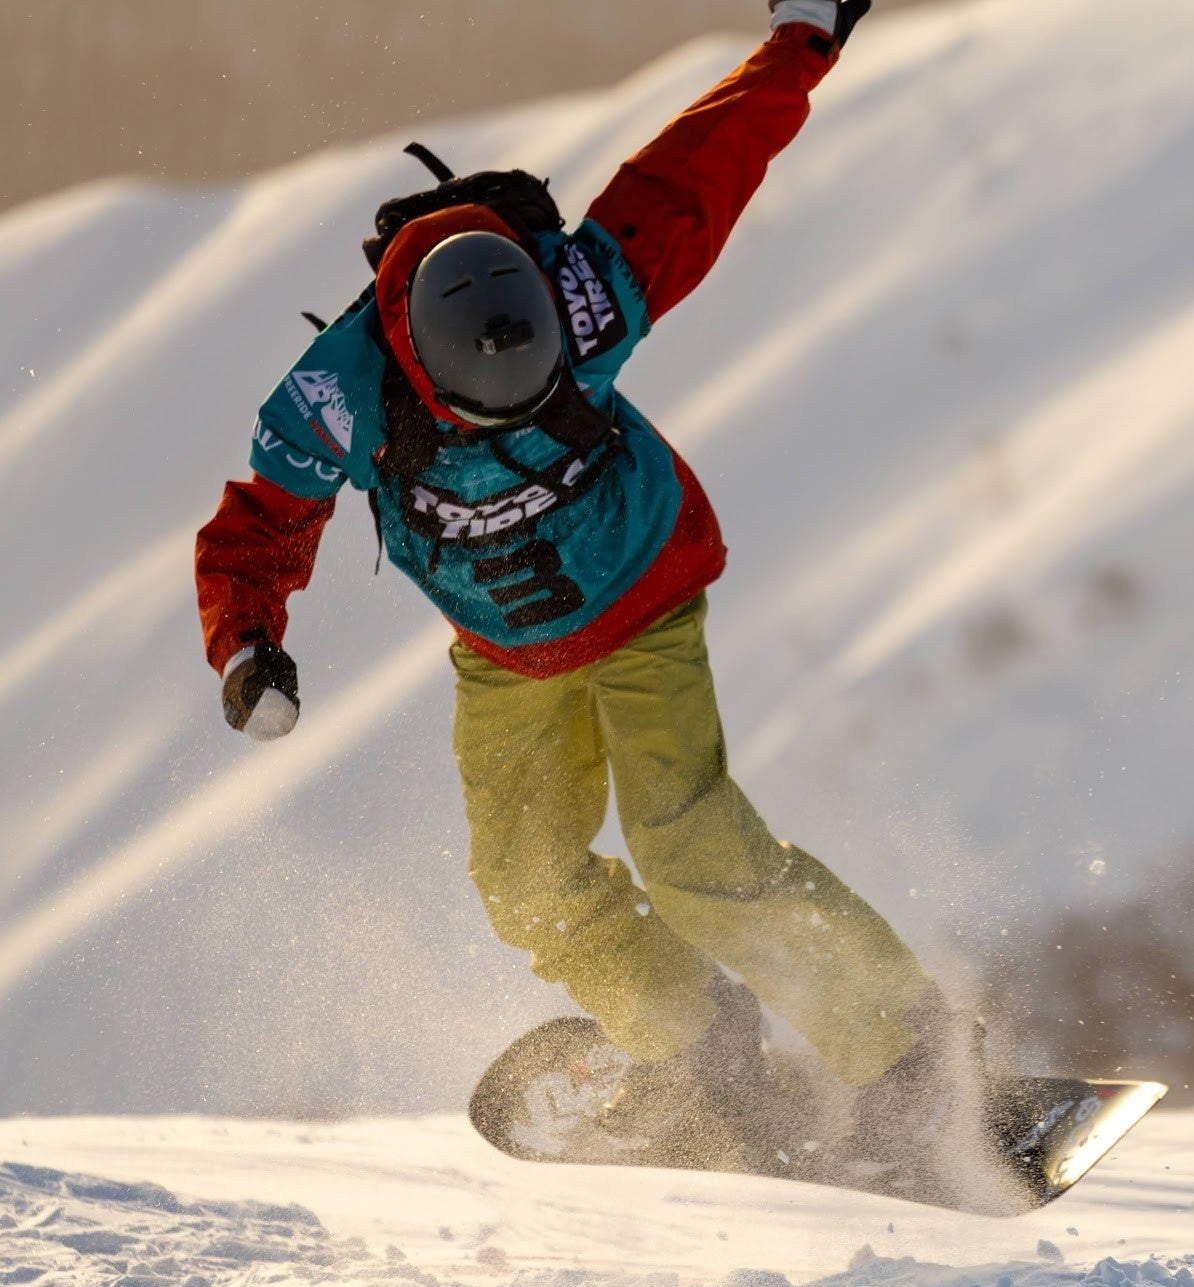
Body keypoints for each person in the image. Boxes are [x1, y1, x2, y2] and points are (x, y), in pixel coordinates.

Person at [191, 0, 974, 1178]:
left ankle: (910, 1055)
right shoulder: (337, 395)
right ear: (415, 361)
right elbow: (260, 524)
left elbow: (700, 166)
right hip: (503, 649)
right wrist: (248, 644)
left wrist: (804, 37)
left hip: (645, 597)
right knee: (525, 883)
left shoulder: (590, 289)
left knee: (694, 850)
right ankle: (696, 1047)